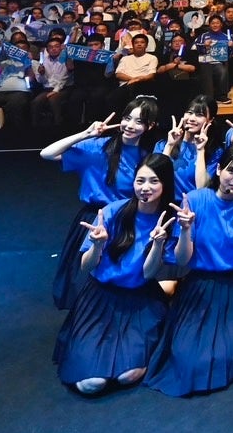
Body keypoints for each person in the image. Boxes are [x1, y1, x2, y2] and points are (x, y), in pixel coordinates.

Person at [53, 151, 190, 395]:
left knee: (129, 375)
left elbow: (149, 273)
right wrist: (96, 245)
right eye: (140, 180)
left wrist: (158, 244)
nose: (145, 188)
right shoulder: (113, 211)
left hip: (140, 299)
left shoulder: (169, 220)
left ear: (165, 184)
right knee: (91, 384)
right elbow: (86, 266)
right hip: (99, 298)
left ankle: (167, 295)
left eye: (153, 181)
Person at [144, 142, 233, 396]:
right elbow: (182, 260)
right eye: (231, 170)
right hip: (198, 286)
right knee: (188, 357)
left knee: (224, 355)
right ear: (219, 169)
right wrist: (187, 230)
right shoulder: (195, 199)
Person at [39, 94, 159, 309]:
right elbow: (47, 154)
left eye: (139, 121)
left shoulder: (146, 157)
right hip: (93, 219)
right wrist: (84, 134)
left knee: (119, 281)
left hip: (126, 220)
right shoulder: (97, 147)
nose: (130, 125)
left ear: (150, 126)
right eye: (127, 118)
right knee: (83, 283)